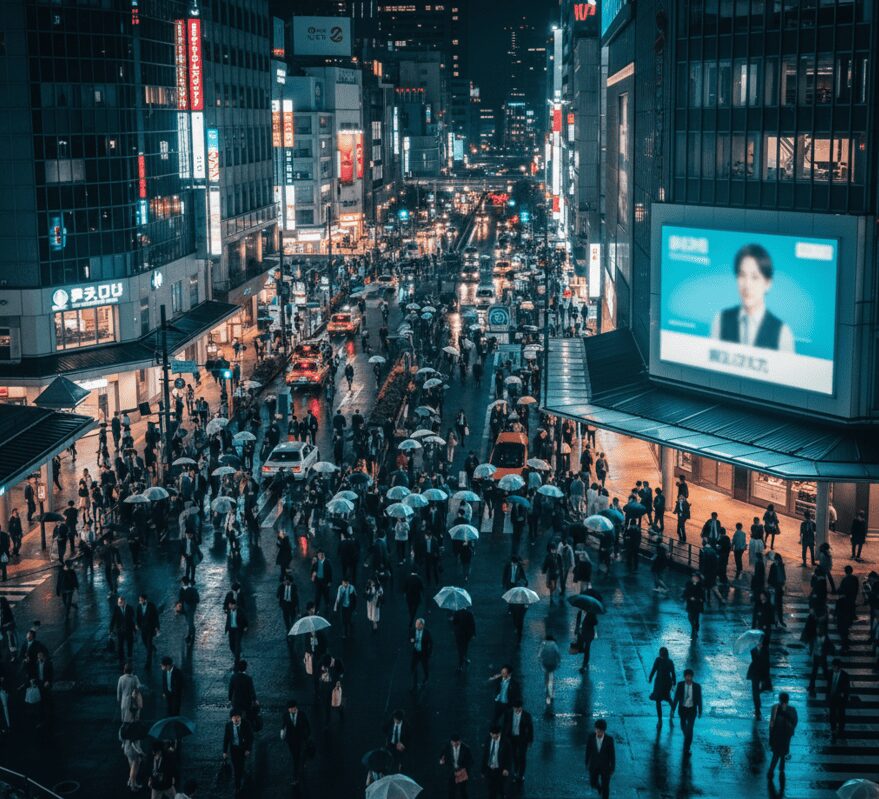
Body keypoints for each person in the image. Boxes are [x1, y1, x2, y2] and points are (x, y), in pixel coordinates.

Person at [710, 242, 795, 352]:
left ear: (768, 284)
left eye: (755, 277)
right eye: (742, 275)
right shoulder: (721, 320)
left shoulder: (782, 333)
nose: (747, 285)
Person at [767, 692, 797, 784]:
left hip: (777, 734)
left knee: (776, 753)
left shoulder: (775, 708)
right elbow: (794, 722)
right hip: (786, 734)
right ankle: (781, 767)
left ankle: (772, 770)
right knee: (783, 751)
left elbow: (771, 723)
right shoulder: (792, 709)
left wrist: (770, 735)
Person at [671, 669, 702, 756]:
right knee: (683, 725)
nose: (688, 678)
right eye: (687, 676)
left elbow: (699, 699)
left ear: (692, 677)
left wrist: (700, 711)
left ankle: (687, 747)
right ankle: (687, 737)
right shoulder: (680, 685)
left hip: (692, 710)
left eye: (690, 676)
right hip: (683, 710)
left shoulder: (697, 686)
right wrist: (672, 710)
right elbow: (676, 698)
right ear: (684, 677)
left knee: (690, 728)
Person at [222, 709, 253, 796]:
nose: (236, 719)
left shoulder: (246, 724)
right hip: (234, 749)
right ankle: (237, 786)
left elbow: (251, 738)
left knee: (241, 765)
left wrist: (248, 749)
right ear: (231, 718)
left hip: (243, 749)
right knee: (236, 768)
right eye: (234, 717)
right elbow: (226, 739)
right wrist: (224, 751)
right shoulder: (228, 726)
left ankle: (242, 774)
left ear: (240, 717)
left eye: (238, 717)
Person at [280, 699, 311, 786]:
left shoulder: (302, 715)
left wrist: (306, 737)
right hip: (291, 740)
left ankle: (296, 778)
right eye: (289, 708)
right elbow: (284, 724)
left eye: (292, 708)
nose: (290, 710)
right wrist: (282, 732)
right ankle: (302, 763)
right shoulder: (286, 716)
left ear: (295, 708)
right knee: (295, 756)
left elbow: (307, 726)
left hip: (301, 739)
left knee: (297, 759)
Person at [584, 719, 615, 799]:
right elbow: (588, 751)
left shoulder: (609, 740)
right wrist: (587, 762)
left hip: (605, 767)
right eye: (597, 730)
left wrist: (612, 768)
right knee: (593, 783)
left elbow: (612, 755)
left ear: (604, 731)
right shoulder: (591, 737)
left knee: (606, 787)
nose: (598, 732)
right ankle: (599, 788)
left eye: (600, 731)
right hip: (594, 765)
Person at [503, 702, 534, 783]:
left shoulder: (526, 715)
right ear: (513, 707)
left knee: (522, 756)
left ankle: (521, 775)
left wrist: (530, 741)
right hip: (512, 738)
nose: (517, 710)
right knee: (514, 756)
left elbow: (530, 729)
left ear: (521, 707)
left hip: (522, 739)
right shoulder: (509, 713)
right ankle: (516, 771)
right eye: (515, 708)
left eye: (518, 708)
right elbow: (505, 725)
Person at [648, 647, 676, 727]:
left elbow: (654, 669)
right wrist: (674, 682)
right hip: (667, 683)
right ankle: (672, 711)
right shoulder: (670, 662)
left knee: (658, 700)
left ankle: (660, 719)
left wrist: (650, 677)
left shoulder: (658, 660)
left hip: (659, 683)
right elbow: (673, 673)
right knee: (668, 698)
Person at [439, 733, 473, 799]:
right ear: (451, 742)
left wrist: (464, 770)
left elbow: (471, 761)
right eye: (453, 743)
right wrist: (441, 761)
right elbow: (441, 757)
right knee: (451, 791)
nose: (455, 745)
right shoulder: (447, 747)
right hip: (451, 772)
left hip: (462, 772)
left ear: (459, 741)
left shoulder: (466, 748)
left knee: (462, 791)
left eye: (457, 743)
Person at [481, 725, 510, 799]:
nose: (493, 736)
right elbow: (485, 755)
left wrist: (506, 768)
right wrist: (483, 770)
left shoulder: (505, 742)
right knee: (491, 789)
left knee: (500, 787)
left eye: (495, 734)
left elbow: (509, 757)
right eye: (492, 734)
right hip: (490, 769)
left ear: (499, 733)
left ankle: (503, 795)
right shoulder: (488, 740)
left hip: (499, 769)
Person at [828, 658, 851, 741]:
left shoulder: (845, 675)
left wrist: (843, 695)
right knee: (832, 714)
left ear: (838, 667)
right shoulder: (830, 673)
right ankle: (833, 729)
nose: (832, 668)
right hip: (832, 698)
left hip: (840, 699)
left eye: (834, 667)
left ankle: (841, 730)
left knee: (841, 715)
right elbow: (828, 686)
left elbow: (847, 688)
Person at [747, 638, 771, 718]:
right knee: (755, 692)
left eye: (760, 642)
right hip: (754, 673)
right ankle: (757, 708)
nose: (758, 643)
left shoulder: (765, 651)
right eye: (757, 642)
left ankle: (758, 706)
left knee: (759, 690)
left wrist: (766, 676)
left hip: (762, 673)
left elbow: (767, 664)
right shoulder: (753, 650)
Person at [135, 593, 160, 668]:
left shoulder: (151, 606)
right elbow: (138, 617)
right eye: (139, 600)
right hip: (143, 628)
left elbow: (156, 617)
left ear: (145, 599)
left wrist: (157, 627)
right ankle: (153, 648)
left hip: (150, 628)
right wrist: (137, 624)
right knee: (145, 642)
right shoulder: (139, 606)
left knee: (148, 644)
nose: (140, 601)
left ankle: (148, 662)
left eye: (141, 600)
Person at [110, 596, 137, 665]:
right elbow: (113, 619)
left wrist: (135, 629)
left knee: (130, 644)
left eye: (121, 602)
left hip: (129, 629)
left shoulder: (130, 608)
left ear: (124, 602)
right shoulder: (116, 608)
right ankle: (121, 658)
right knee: (120, 645)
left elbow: (133, 620)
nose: (119, 603)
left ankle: (129, 656)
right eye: (118, 602)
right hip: (120, 630)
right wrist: (111, 629)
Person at [538, 634, 562, 706]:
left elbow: (539, 655)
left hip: (545, 664)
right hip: (553, 664)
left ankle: (547, 693)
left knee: (546, 677)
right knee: (551, 678)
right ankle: (552, 693)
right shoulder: (554, 645)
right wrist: (558, 662)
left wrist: (541, 661)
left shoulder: (543, 644)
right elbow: (558, 654)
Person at [410, 618, 432, 690]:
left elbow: (431, 644)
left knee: (425, 667)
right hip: (416, 652)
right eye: (416, 624)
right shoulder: (413, 630)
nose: (416, 626)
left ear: (422, 625)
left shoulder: (427, 632)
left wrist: (429, 653)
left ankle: (426, 678)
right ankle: (414, 684)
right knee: (413, 667)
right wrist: (412, 640)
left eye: (418, 624)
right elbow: (410, 638)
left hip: (423, 653)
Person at [452, 606, 476, 670]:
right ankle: (464, 658)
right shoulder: (469, 614)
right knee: (465, 647)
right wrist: (473, 634)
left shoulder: (456, 613)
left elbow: (454, 623)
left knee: (460, 650)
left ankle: (461, 664)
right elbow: (472, 624)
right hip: (467, 635)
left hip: (459, 635)